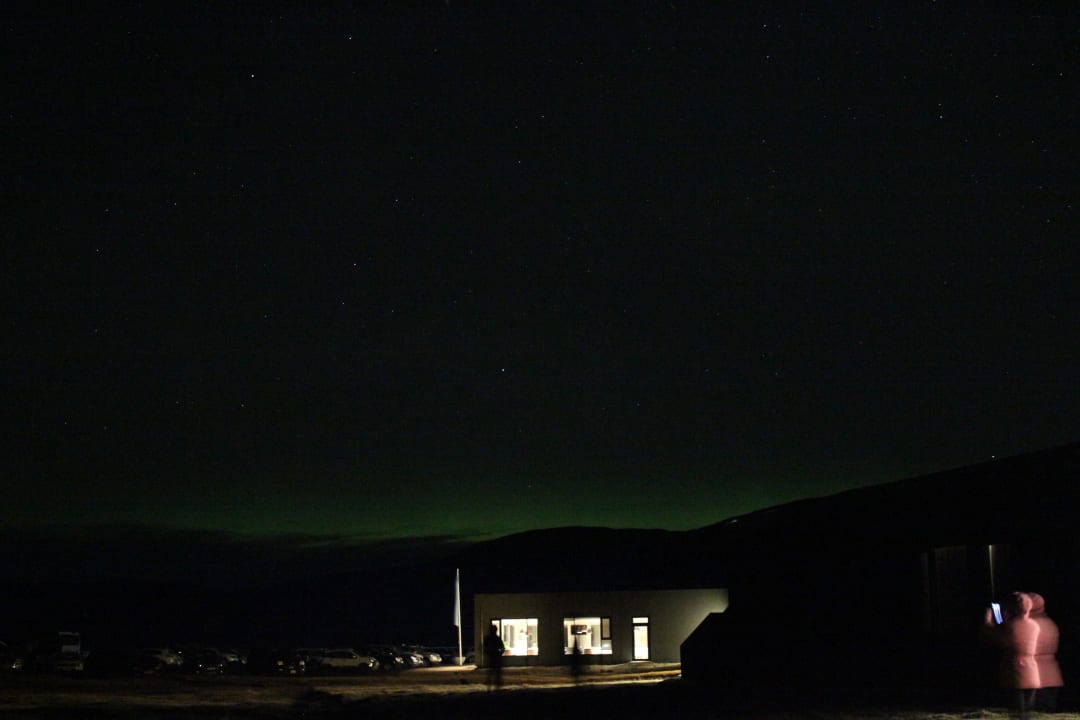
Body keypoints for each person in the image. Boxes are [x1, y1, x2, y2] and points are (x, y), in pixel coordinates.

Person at [984, 592, 1040, 720]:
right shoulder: (1034, 626)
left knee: (1018, 712)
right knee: (1027, 711)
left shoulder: (1009, 627)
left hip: (1015, 673)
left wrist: (989, 614)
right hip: (1032, 673)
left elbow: (990, 632)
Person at [1029, 592, 1064, 712]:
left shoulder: (1031, 625)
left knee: (1037, 709)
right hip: (1049, 673)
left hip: (1036, 674)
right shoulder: (1048, 622)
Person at [482, 623, 505, 690]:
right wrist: (499, 653)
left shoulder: (488, 638)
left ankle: (491, 688)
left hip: (493, 657)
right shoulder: (496, 638)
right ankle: (496, 688)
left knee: (492, 674)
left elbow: (484, 648)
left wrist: (488, 653)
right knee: (496, 674)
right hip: (495, 658)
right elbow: (503, 648)